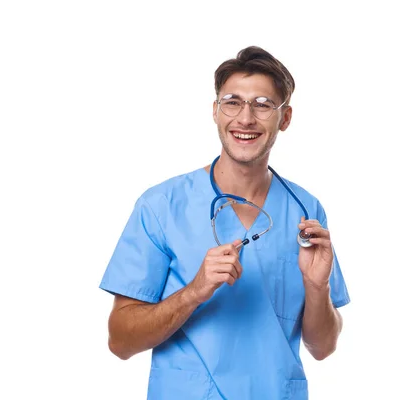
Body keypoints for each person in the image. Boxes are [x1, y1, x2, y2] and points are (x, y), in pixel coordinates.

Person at [99, 45, 350, 400]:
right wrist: (193, 292)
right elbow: (120, 341)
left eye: (263, 104)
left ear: (286, 117)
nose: (245, 118)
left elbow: (323, 347)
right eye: (233, 102)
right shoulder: (161, 206)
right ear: (216, 112)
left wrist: (316, 287)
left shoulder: (305, 211)